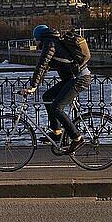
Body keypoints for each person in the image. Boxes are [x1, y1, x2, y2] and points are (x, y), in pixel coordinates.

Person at [21, 24, 92, 153]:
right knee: (47, 96)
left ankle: (77, 138)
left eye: (35, 40)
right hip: (72, 78)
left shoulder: (50, 44)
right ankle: (57, 131)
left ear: (39, 38)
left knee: (57, 107)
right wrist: (34, 86)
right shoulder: (52, 42)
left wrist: (32, 86)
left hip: (79, 78)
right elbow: (46, 68)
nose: (35, 43)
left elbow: (41, 65)